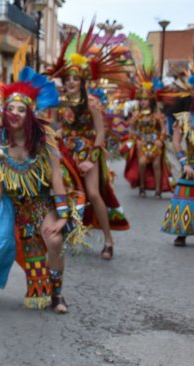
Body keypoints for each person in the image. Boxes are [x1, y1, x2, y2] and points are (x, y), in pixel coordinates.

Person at [0, 65, 85, 313]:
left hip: (39, 202)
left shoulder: (45, 144)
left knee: (55, 240)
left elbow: (57, 182)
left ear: (30, 114)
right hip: (9, 202)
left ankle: (57, 294)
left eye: (21, 109)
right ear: (4, 112)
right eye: (11, 108)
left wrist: (62, 217)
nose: (15, 113)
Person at [45, 21, 130, 260]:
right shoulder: (58, 102)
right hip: (66, 151)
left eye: (76, 78)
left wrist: (92, 160)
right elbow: (55, 126)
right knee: (58, 191)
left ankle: (109, 240)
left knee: (93, 193)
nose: (71, 82)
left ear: (82, 82)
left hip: (87, 151)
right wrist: (54, 135)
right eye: (68, 78)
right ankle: (62, 232)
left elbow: (100, 133)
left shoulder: (91, 102)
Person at [123, 69, 172, 198]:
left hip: (155, 143)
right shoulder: (136, 115)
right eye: (141, 99)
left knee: (156, 164)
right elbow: (132, 129)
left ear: (151, 100)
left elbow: (163, 129)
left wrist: (160, 140)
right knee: (142, 163)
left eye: (145, 99)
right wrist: (137, 140)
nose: (143, 102)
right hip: (142, 143)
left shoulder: (157, 115)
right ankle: (142, 188)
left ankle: (158, 190)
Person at [162, 65, 194, 246]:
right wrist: (184, 163)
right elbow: (175, 142)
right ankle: (182, 232)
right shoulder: (184, 118)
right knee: (186, 198)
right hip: (190, 165)